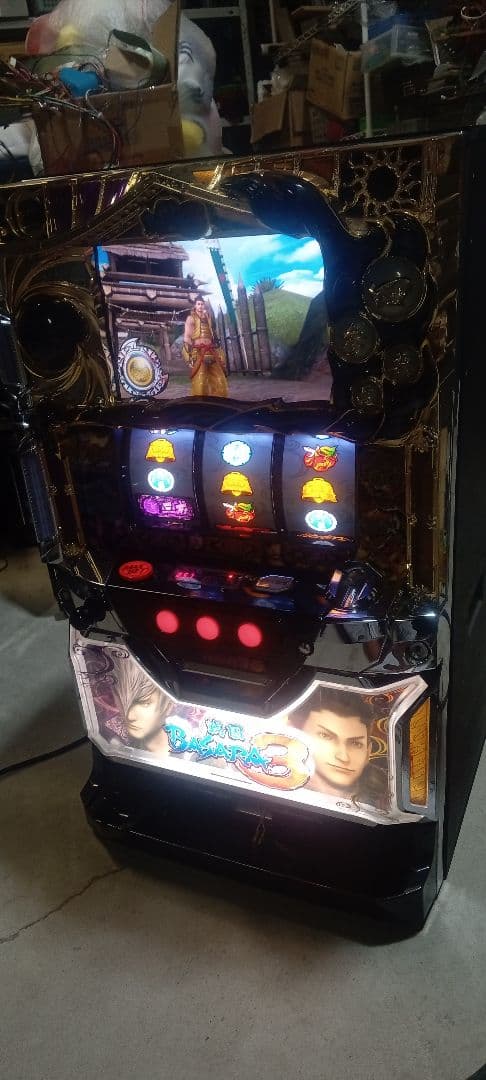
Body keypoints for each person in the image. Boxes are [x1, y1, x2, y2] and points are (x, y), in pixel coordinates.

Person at [291, 686, 389, 808]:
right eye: (325, 736)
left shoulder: (385, 798)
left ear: (368, 752)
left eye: (356, 743)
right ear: (296, 735)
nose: (343, 757)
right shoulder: (277, 782)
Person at [112, 657, 173, 757]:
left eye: (144, 703)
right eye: (123, 701)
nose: (129, 716)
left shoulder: (191, 745)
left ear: (168, 706)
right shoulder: (112, 743)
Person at [183, 297, 228, 397]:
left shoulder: (208, 317)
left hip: (211, 350)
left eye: (202, 304)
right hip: (198, 351)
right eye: (198, 304)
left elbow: (213, 335)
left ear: (204, 305)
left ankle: (219, 400)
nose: (200, 306)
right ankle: (199, 402)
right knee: (200, 380)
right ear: (195, 305)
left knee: (219, 378)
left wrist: (217, 348)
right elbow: (187, 338)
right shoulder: (191, 318)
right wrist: (190, 354)